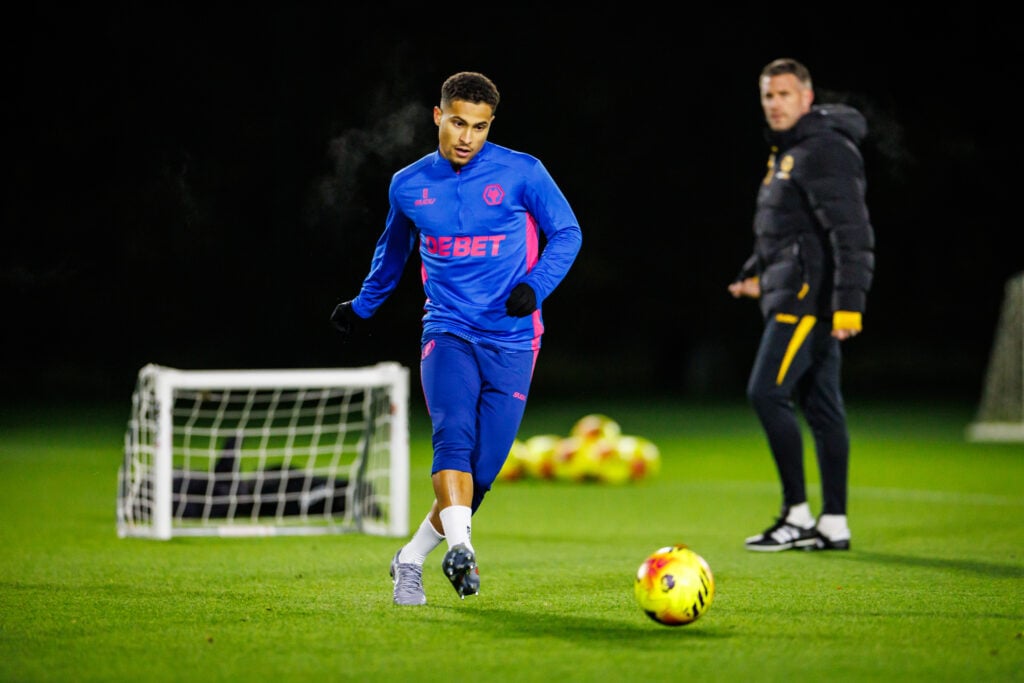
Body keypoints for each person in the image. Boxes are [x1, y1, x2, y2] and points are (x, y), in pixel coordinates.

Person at [330, 72, 582, 603]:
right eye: (459, 123)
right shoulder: (409, 184)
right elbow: (392, 252)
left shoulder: (523, 173)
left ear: (491, 126)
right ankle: (461, 552)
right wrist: (363, 306)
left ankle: (409, 558)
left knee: (482, 474)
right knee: (453, 439)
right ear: (438, 116)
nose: (467, 137)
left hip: (514, 339)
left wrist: (535, 287)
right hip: (447, 330)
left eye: (480, 127)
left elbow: (568, 232)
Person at [728, 58, 875, 552]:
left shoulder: (824, 149)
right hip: (791, 291)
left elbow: (851, 232)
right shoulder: (788, 151)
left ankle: (795, 514)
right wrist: (757, 275)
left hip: (807, 301)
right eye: (768, 95)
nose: (774, 104)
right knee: (822, 407)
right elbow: (787, 231)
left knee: (766, 393)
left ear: (807, 98)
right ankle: (834, 523)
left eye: (784, 94)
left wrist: (849, 304)